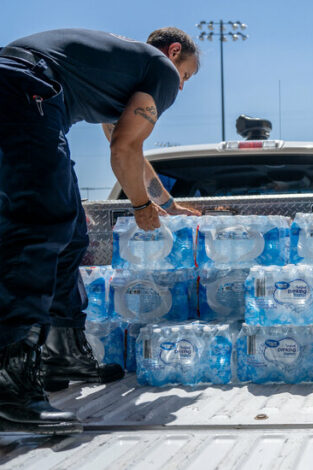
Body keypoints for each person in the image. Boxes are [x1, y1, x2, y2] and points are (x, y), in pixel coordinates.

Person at [0, 27, 201, 435]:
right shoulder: (160, 70)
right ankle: (10, 384)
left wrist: (164, 203)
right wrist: (142, 209)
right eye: (188, 75)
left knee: (71, 229)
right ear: (174, 52)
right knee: (40, 225)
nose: (181, 86)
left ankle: (63, 354)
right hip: (25, 89)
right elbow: (123, 150)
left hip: (23, 88)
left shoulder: (118, 72)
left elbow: (129, 147)